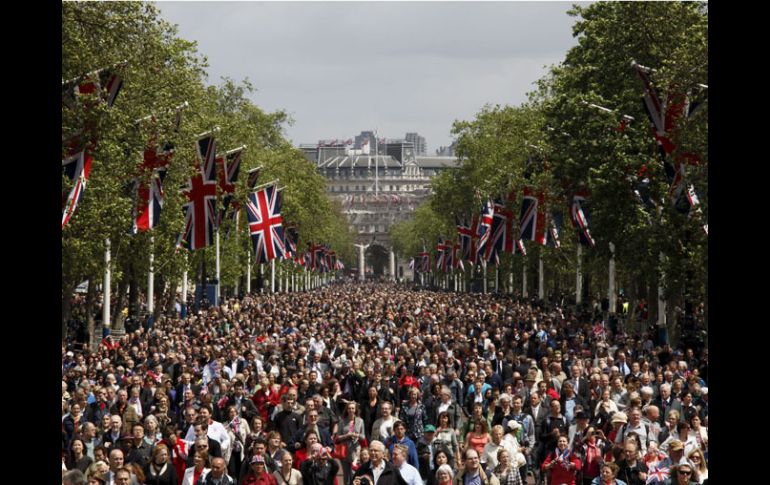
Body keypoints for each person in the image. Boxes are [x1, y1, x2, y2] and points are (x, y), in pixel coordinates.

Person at [336, 400, 367, 485]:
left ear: (355, 409)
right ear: (347, 410)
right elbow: (338, 437)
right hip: (345, 450)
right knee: (346, 475)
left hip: (356, 449)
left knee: (354, 472)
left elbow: (363, 437)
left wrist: (356, 435)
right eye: (349, 408)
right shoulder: (342, 422)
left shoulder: (360, 421)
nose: (351, 410)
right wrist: (347, 435)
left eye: (353, 408)